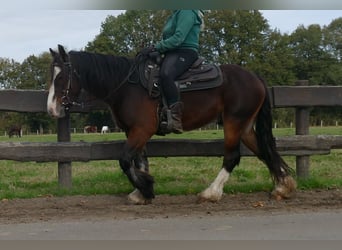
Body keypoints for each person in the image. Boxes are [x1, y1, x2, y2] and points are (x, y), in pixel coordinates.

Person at [145, 10, 204, 133]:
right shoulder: (175, 13)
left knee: (166, 74)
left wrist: (157, 47)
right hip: (171, 52)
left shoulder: (186, 11)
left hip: (184, 51)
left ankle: (176, 118)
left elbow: (178, 38)